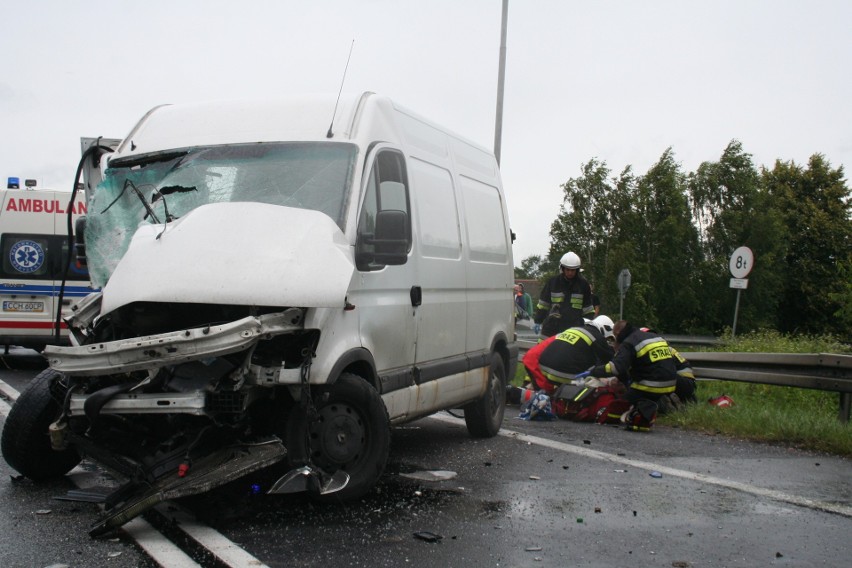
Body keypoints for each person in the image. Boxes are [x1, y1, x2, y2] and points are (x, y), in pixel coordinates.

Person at [577, 320, 678, 431]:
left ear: (619, 332)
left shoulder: (629, 342)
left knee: (621, 404)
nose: (615, 339)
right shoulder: (653, 336)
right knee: (641, 381)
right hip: (671, 383)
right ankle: (658, 403)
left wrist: (594, 371)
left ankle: (640, 409)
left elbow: (615, 368)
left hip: (650, 384)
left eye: (615, 335)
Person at [534, 251, 594, 338]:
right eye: (567, 269)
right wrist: (538, 321)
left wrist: (589, 327)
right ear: (562, 268)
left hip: (574, 329)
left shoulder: (583, 285)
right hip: (552, 327)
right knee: (545, 350)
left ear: (577, 270)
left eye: (573, 270)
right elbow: (543, 305)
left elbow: (588, 310)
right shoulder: (552, 282)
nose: (570, 273)